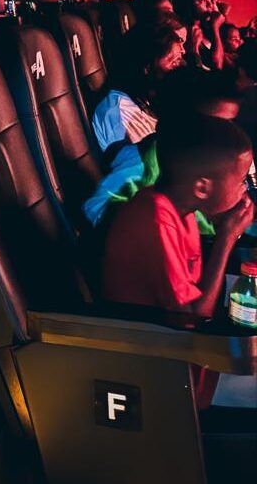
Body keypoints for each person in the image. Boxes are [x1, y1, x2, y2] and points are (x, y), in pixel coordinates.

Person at [101, 114, 253, 407]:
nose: (244, 189)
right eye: (241, 180)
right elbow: (193, 320)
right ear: (202, 188)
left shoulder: (180, 209)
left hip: (189, 350)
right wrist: (226, 237)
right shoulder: (154, 219)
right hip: (170, 373)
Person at [82, 25, 186, 226]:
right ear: (147, 67)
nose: (180, 68)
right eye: (173, 62)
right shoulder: (117, 112)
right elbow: (137, 178)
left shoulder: (152, 99)